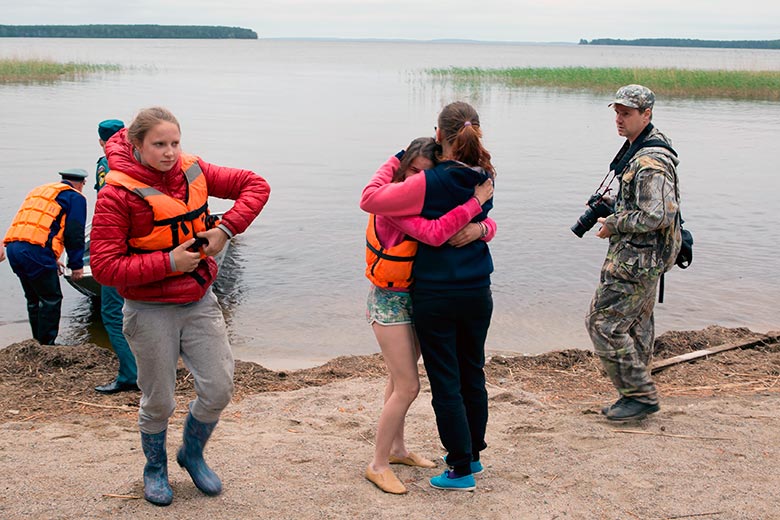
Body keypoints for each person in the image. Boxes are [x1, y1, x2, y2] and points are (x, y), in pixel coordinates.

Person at [89, 107, 270, 506]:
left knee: (219, 388)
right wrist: (169, 262)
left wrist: (225, 229)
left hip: (199, 301)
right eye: (159, 145)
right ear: (137, 145)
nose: (169, 152)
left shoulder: (194, 170)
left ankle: (192, 453)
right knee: (159, 400)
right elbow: (103, 267)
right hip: (148, 310)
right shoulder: (117, 194)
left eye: (174, 143)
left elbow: (256, 186)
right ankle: (155, 467)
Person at [361, 101, 496, 492]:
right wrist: (480, 221)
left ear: (439, 137)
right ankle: (463, 457)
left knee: (443, 381)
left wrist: (399, 159)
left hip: (433, 295)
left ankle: (457, 466)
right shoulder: (483, 176)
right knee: (459, 375)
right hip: (468, 290)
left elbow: (372, 197)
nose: (417, 176)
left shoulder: (424, 185)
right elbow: (459, 225)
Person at [586, 85, 682, 422]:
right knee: (638, 327)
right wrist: (619, 206)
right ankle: (635, 398)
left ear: (647, 114)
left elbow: (658, 215)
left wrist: (614, 221)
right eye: (617, 112)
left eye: (627, 113)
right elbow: (649, 207)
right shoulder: (642, 148)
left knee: (602, 323)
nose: (619, 118)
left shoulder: (650, 160)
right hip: (645, 258)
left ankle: (639, 396)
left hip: (637, 260)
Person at [3, 169, 88, 345]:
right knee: (51, 298)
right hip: (34, 252)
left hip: (14, 248)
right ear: (82, 183)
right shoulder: (75, 197)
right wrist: (76, 265)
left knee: (34, 298)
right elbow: (74, 233)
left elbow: (38, 226)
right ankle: (47, 345)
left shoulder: (40, 191)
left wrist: (51, 258)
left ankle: (37, 342)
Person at [93, 118, 140, 395]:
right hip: (146, 246)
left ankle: (131, 375)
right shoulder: (142, 158)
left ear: (102, 141)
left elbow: (106, 205)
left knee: (112, 313)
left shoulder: (106, 163)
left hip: (119, 248)